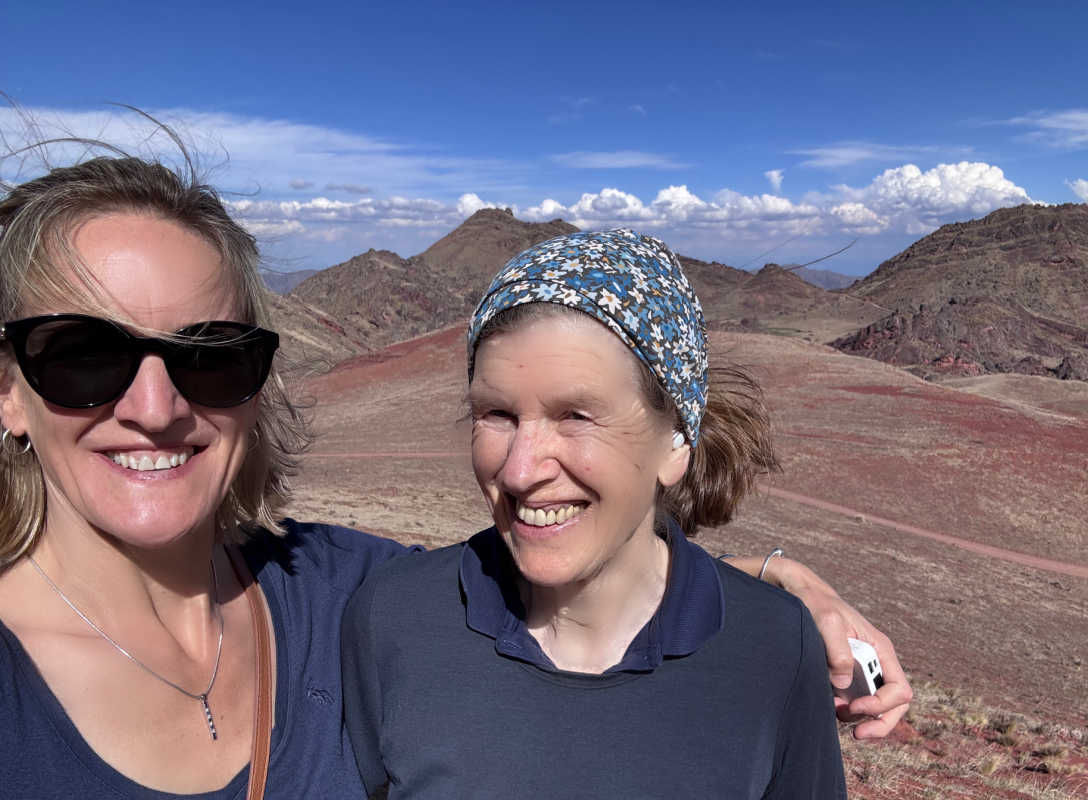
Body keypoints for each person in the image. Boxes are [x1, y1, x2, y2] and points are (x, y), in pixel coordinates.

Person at [0, 149, 907, 799]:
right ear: (10, 392)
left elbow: (576, 580)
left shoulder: (329, 592)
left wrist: (782, 597)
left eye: (209, 357)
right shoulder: (379, 611)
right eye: (81, 355)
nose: (155, 406)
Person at [341, 230, 848, 798]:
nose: (519, 470)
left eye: (576, 415)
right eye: (497, 413)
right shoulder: (395, 622)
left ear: (676, 443)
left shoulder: (775, 647)